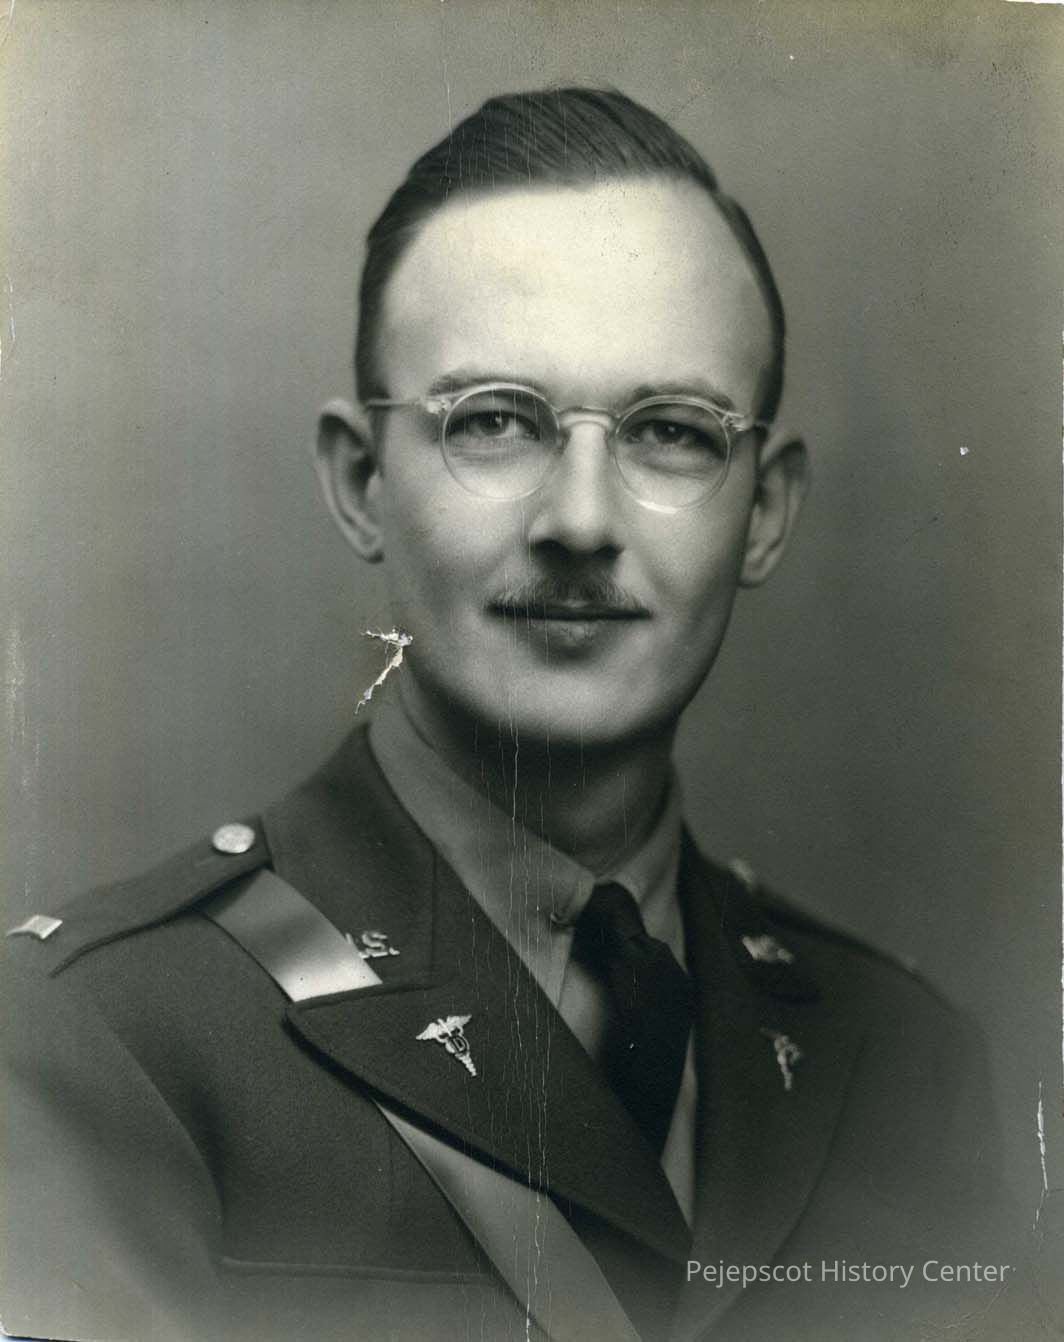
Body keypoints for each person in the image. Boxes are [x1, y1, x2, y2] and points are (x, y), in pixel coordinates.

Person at [1, 88, 1020, 1342]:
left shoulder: (903, 1067)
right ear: (361, 482)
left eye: (670, 432)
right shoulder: (102, 1043)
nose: (580, 522)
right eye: (491, 420)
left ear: (762, 512)